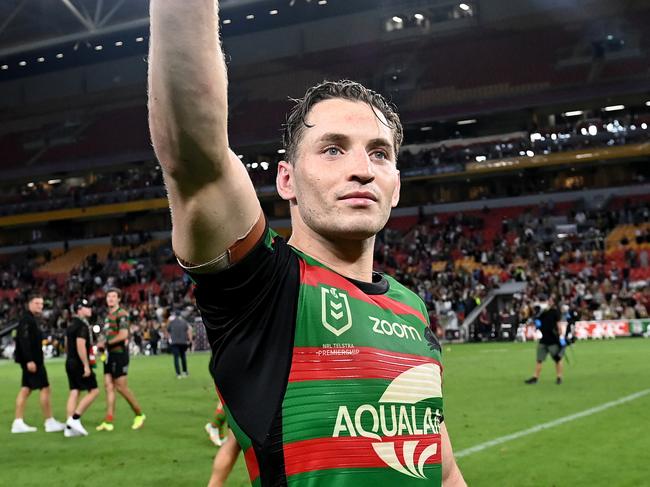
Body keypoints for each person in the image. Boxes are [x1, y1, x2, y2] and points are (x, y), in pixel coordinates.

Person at [149, 2, 466, 485]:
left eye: (378, 153)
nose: (361, 168)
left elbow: (442, 472)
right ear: (287, 179)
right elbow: (194, 156)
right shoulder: (264, 290)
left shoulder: (412, 309)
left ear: (396, 186)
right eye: (333, 149)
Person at [11, 294, 65, 434]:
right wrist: (29, 360)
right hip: (33, 361)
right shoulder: (27, 320)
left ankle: (18, 421)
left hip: (32, 360)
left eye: (41, 303)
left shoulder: (30, 319)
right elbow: (23, 340)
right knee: (45, 388)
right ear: (29, 304)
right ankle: (49, 421)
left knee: (26, 389)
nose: (40, 306)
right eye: (36, 303)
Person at [96, 288, 146, 431]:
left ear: (119, 299)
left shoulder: (122, 314)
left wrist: (105, 343)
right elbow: (109, 335)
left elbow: (124, 335)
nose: (110, 299)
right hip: (109, 355)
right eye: (108, 296)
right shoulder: (108, 316)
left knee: (121, 387)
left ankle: (139, 414)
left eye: (113, 296)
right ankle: (109, 420)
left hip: (119, 354)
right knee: (108, 386)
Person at [64, 298, 100, 437]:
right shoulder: (82, 326)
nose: (90, 309)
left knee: (74, 391)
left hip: (70, 361)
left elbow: (68, 345)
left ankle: (69, 427)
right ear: (79, 309)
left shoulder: (71, 324)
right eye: (87, 307)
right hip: (79, 362)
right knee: (94, 390)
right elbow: (80, 345)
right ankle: (75, 418)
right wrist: (86, 365)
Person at [525, 294, 566, 385]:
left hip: (553, 339)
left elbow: (559, 325)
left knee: (557, 359)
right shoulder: (540, 312)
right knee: (539, 360)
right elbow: (536, 321)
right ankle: (535, 377)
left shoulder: (555, 312)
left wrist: (561, 337)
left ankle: (559, 377)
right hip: (544, 339)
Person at [166, 310, 192, 378]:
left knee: (176, 358)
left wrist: (169, 339)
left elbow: (167, 331)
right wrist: (190, 340)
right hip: (183, 342)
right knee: (183, 357)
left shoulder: (172, 322)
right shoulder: (184, 322)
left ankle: (178, 374)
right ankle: (185, 372)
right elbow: (188, 331)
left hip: (174, 342)